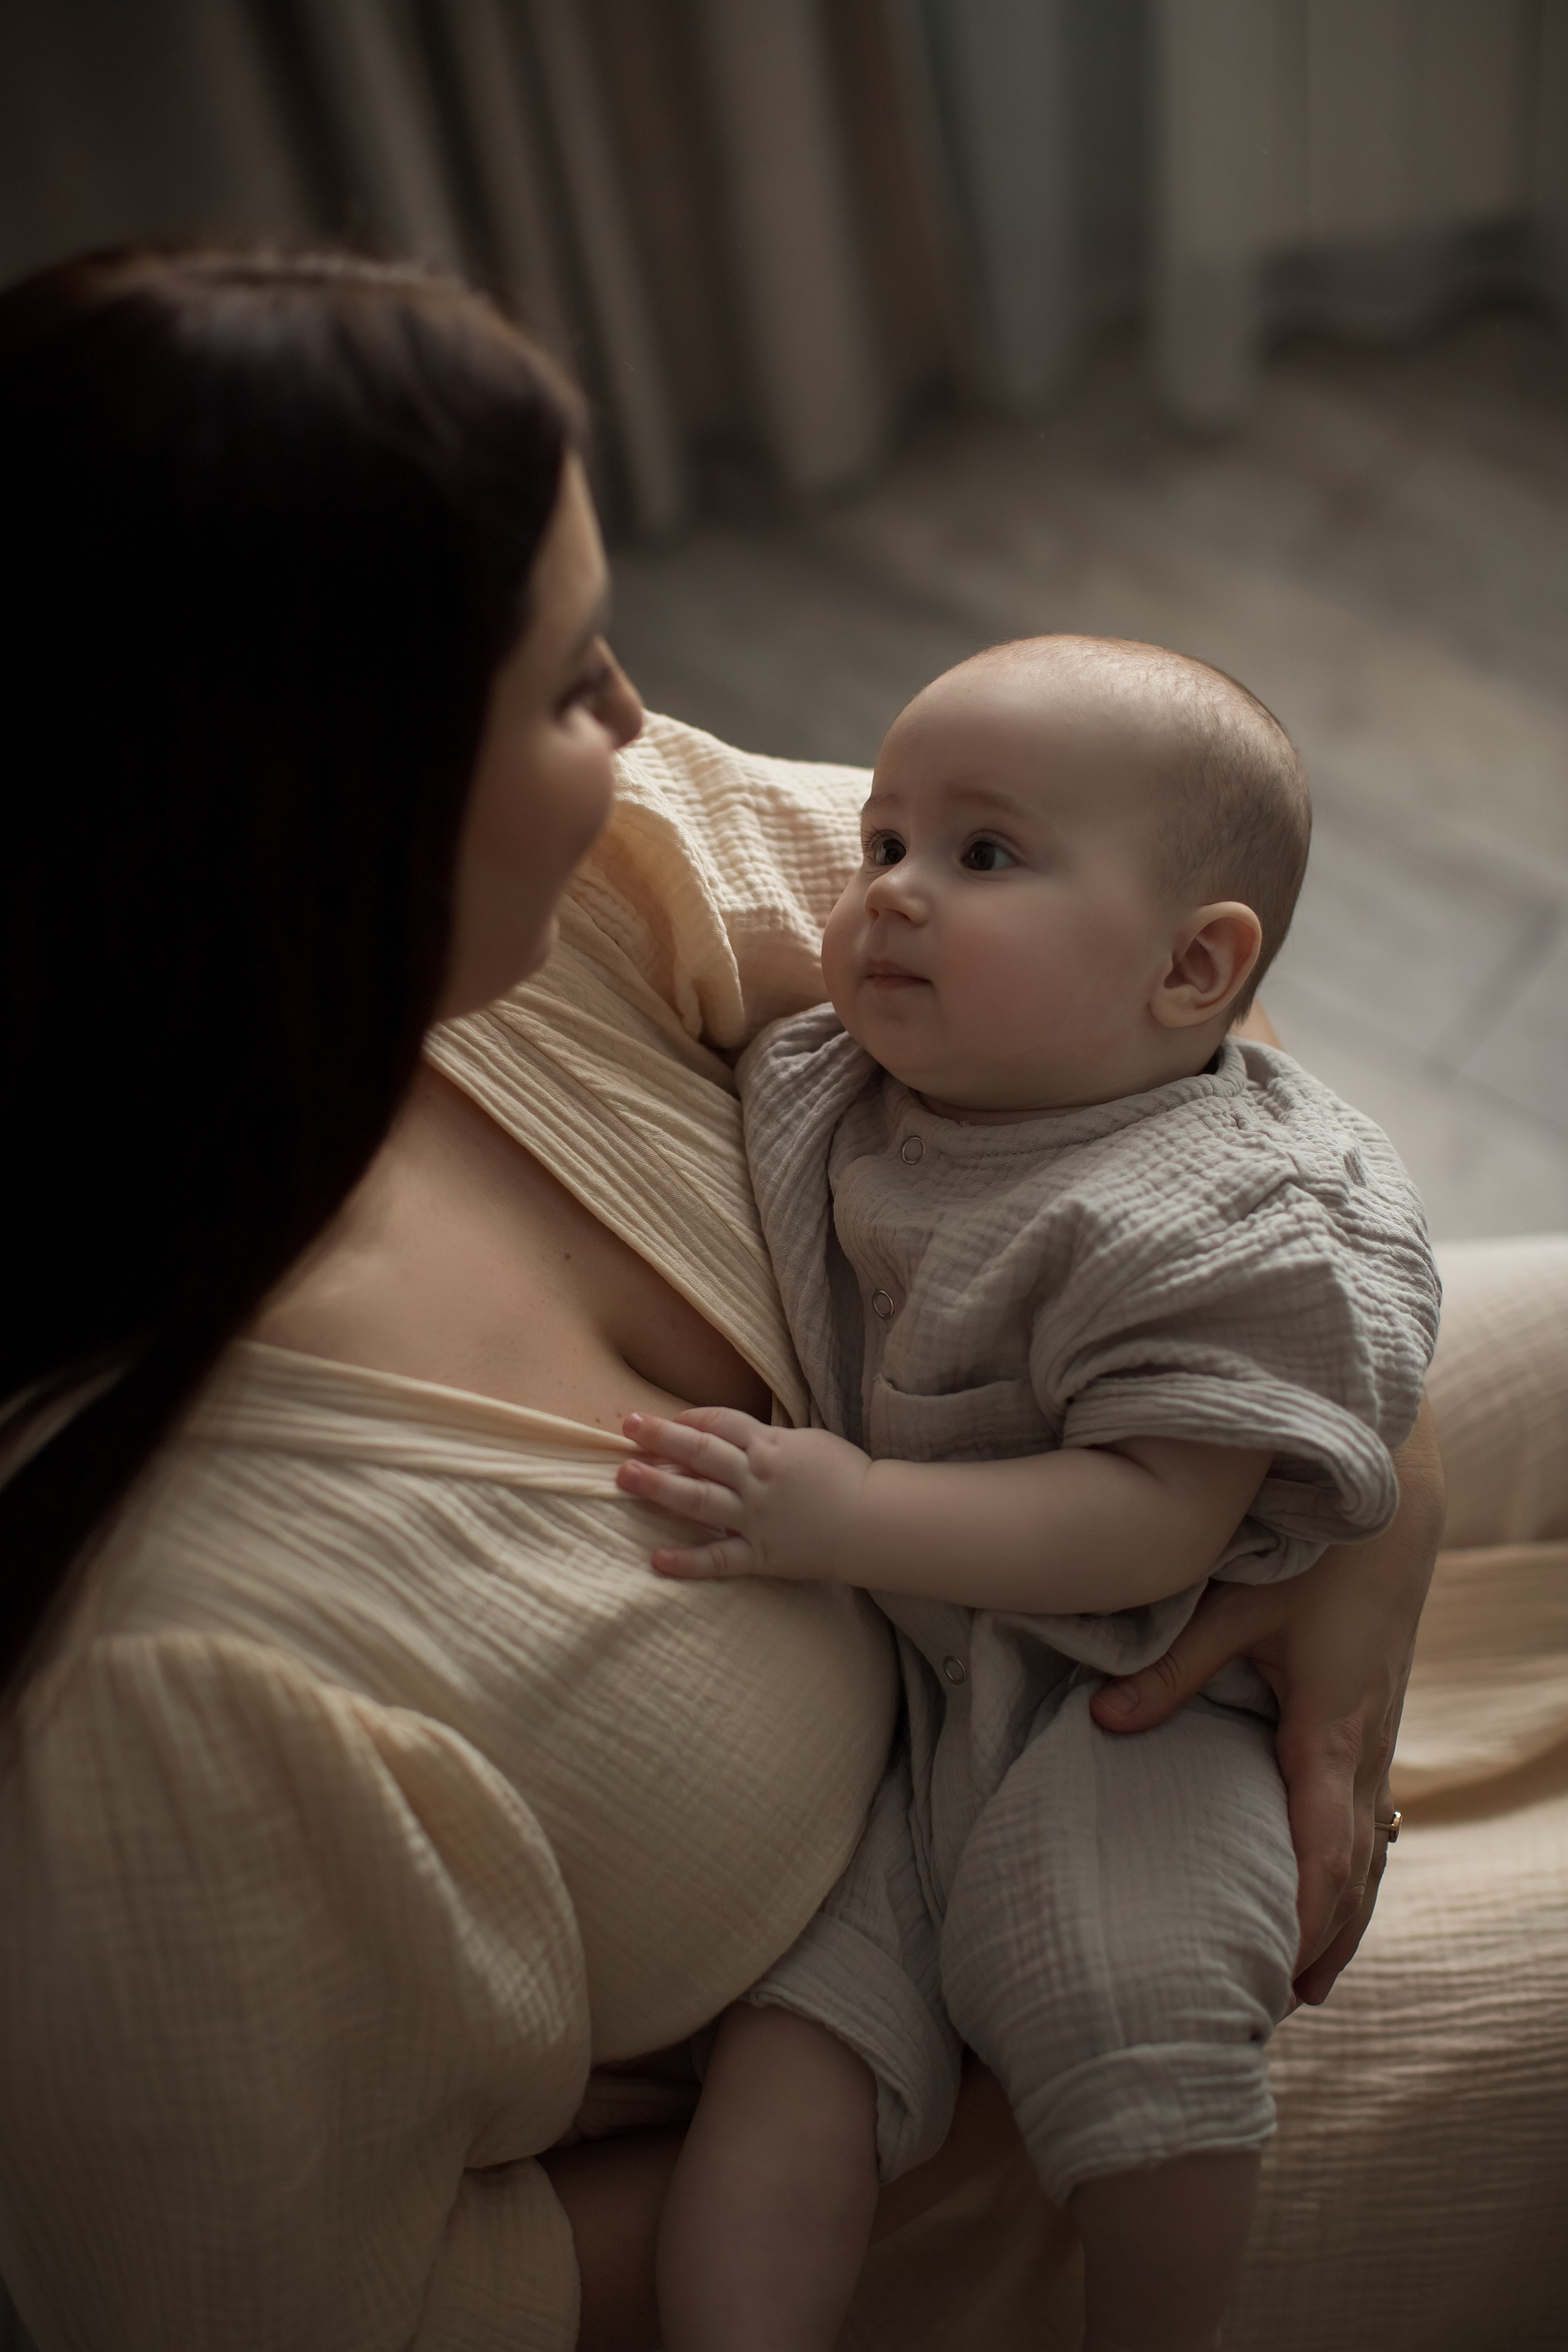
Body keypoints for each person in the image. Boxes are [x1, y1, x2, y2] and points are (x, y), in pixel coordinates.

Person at [0, 247, 1445, 2352]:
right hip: (954, 2091)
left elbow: (1139, 1004)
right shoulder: (138, 1707)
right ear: (326, 807)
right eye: (579, 675)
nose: (642, 721)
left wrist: (1364, 1508)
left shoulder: (547, 896)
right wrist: (932, 2107)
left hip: (1114, 1525)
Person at [622, 638, 1441, 2352]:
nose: (896, 894)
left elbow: (1156, 1520)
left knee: (1138, 2015)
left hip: (1132, 1695)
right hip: (898, 1718)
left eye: (980, 856)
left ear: (1193, 971)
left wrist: (843, 1515)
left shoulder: (1216, 1216)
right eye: (886, 848)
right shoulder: (843, 1082)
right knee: (794, 2063)